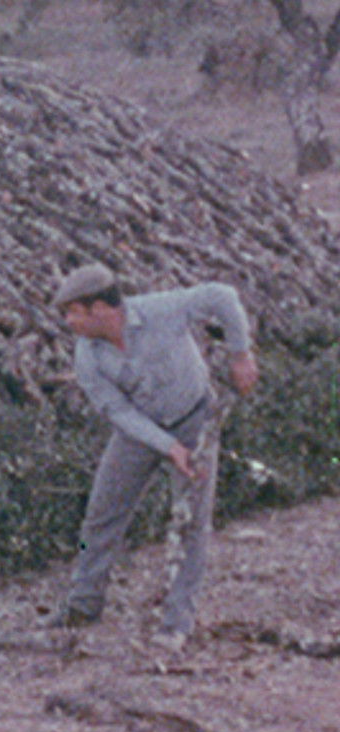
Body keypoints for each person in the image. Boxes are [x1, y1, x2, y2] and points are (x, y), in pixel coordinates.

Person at [53, 262, 259, 649]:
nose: (68, 322)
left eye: (74, 313)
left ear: (100, 309)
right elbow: (118, 412)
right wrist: (168, 447)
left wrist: (240, 353)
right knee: (101, 513)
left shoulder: (162, 310)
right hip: (139, 431)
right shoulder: (87, 356)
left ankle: (177, 622)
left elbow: (223, 296)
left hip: (194, 419)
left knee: (191, 522)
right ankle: (83, 604)